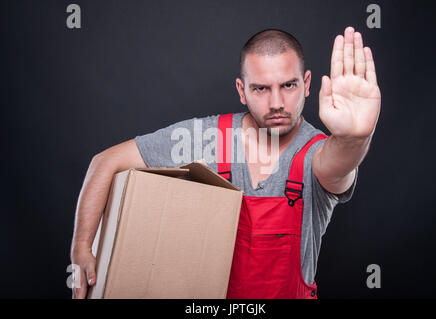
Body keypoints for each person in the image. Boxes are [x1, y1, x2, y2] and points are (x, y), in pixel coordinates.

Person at [70, 26, 381, 299]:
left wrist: (354, 138)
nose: (276, 103)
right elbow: (105, 162)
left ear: (307, 83)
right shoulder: (205, 138)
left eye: (288, 85)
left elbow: (339, 163)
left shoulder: (317, 153)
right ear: (241, 90)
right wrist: (81, 248)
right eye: (260, 88)